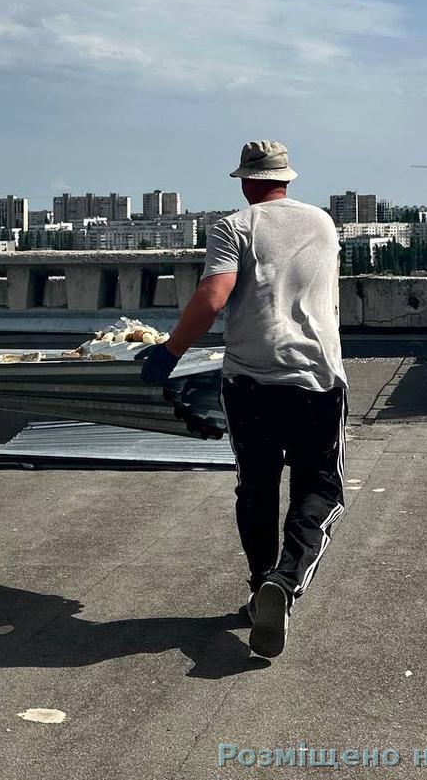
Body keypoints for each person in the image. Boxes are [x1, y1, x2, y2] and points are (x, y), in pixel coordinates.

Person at [141, 140, 347, 658]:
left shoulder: (234, 227)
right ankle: (286, 580)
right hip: (317, 380)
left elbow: (213, 297)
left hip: (250, 382)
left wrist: (169, 352)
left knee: (256, 487)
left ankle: (260, 588)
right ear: (287, 178)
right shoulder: (323, 223)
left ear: (245, 181)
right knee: (319, 489)